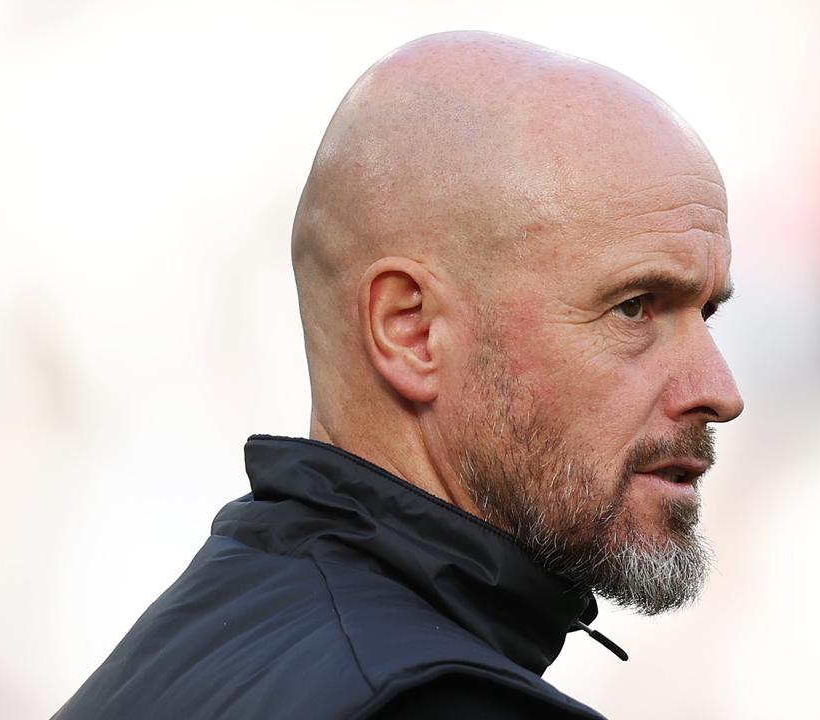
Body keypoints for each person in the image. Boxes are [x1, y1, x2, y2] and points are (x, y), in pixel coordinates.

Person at [55, 30, 743, 719]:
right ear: (409, 330)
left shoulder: (174, 661)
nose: (719, 391)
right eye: (634, 308)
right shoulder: (442, 702)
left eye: (705, 313)